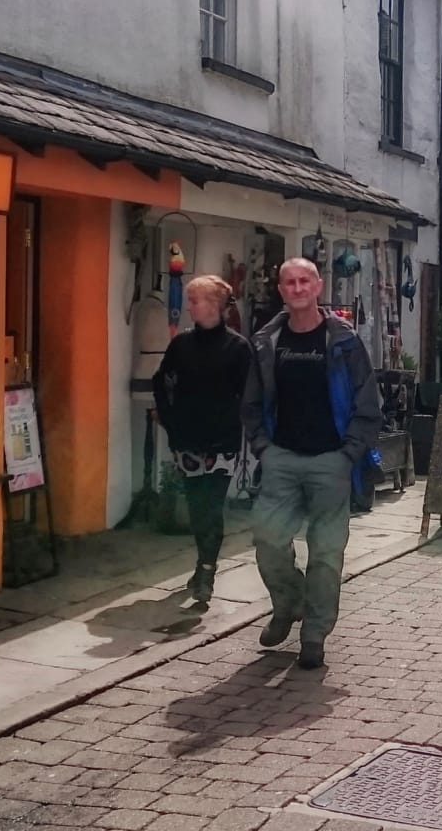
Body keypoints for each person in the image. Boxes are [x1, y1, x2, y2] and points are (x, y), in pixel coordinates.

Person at [241, 258, 382, 669]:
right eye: (290, 282)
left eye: (305, 281)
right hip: (281, 457)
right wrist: (263, 447)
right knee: (268, 542)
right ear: (281, 290)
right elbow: (251, 403)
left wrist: (348, 455)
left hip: (330, 460)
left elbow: (367, 404)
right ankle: (288, 604)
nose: (298, 288)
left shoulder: (344, 340)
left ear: (318, 286)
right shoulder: (267, 340)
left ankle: (315, 633)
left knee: (325, 552)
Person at [152, 276, 253, 606]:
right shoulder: (182, 345)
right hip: (187, 440)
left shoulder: (237, 348)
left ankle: (207, 571)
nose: (190, 306)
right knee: (197, 507)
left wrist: (241, 424)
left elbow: (250, 394)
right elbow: (161, 382)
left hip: (222, 440)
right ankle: (203, 563)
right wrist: (169, 420)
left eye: (196, 300)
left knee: (212, 505)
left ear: (214, 305)